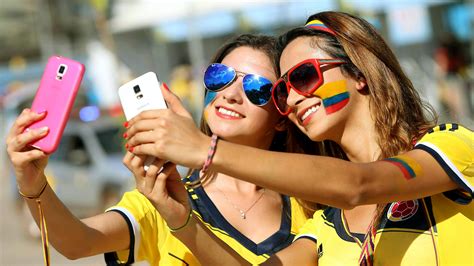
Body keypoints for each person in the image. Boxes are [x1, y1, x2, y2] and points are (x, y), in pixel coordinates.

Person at [123, 11, 473, 265]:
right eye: (280, 92)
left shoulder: (449, 146)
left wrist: (203, 149)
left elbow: (360, 185)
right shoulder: (324, 224)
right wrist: (180, 219)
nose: (290, 100)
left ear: (360, 73)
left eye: (304, 76)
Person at [5, 34, 314, 265]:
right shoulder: (161, 196)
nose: (230, 95)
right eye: (220, 77)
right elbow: (76, 242)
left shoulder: (311, 198)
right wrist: (34, 187)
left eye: (256, 88)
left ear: (281, 119)